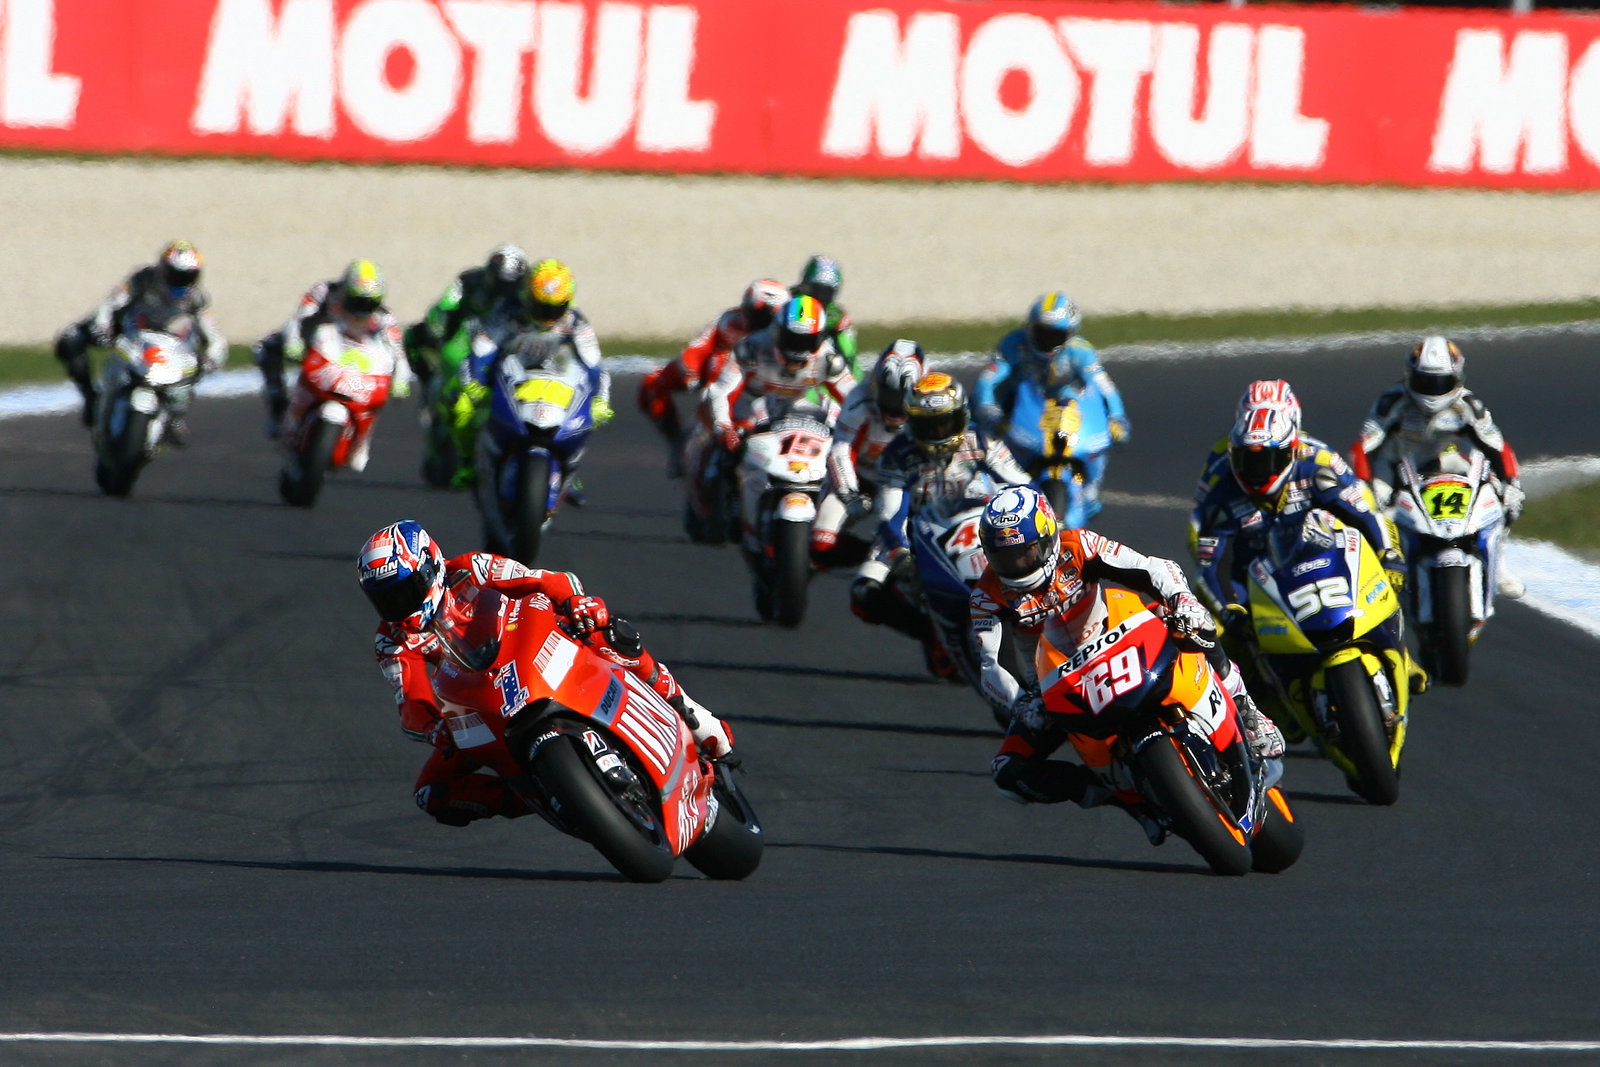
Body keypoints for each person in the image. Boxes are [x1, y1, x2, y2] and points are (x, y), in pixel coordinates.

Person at [356, 519, 733, 827]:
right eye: (385, 598)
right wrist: (434, 727)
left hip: (536, 653)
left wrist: (575, 603)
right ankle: (546, 797)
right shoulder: (391, 641)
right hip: (480, 711)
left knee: (609, 632)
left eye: (405, 588)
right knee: (432, 794)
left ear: (430, 565)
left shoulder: (472, 569)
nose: (397, 604)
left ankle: (684, 706)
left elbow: (544, 580)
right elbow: (410, 699)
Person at [973, 485, 1285, 844]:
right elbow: (991, 664)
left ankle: (1247, 710)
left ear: (1047, 539)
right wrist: (1021, 702)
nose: (1015, 566)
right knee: (1008, 772)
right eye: (1003, 557)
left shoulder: (1080, 545)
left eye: (1024, 554)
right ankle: (1123, 801)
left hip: (1120, 635)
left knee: (1196, 623)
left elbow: (1150, 567)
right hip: (1056, 686)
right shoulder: (986, 595)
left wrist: (1180, 598)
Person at [1187, 378, 1423, 687]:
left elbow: (1361, 508)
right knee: (1217, 632)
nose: (1257, 469)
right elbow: (1204, 539)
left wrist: (1387, 555)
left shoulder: (1318, 459)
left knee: (1378, 565)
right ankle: (1253, 703)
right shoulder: (1222, 468)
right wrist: (1228, 608)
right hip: (1252, 555)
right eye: (1249, 460)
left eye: (1268, 459)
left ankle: (1401, 656)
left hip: (1314, 540)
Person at [853, 371, 1031, 674]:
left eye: (944, 422)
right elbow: (890, 511)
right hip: (915, 531)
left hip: (980, 524)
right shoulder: (897, 454)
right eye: (927, 424)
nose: (937, 431)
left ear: (960, 416)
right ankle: (932, 634)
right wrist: (898, 551)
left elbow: (1024, 485)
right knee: (864, 592)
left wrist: (1044, 520)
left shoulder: (983, 441)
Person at [1350, 336, 1525, 597]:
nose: (1432, 391)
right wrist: (1365, 486)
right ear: (1410, 376)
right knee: (1372, 512)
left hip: (1449, 461)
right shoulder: (1391, 402)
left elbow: (1498, 447)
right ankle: (1380, 573)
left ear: (1457, 378)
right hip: (1397, 465)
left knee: (1501, 499)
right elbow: (1363, 448)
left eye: (1441, 382)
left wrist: (1512, 484)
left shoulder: (1469, 405)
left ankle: (1498, 566)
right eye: (1425, 382)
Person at [446, 258, 613, 489]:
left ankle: (568, 470)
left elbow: (595, 366)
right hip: (508, 381)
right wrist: (474, 384)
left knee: (583, 418)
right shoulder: (507, 314)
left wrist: (601, 400)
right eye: (541, 306)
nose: (547, 314)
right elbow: (479, 352)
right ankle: (467, 465)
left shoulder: (576, 323)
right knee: (461, 406)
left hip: (555, 382)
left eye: (555, 308)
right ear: (528, 296)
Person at [54, 239, 227, 433]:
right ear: (162, 268)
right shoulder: (142, 279)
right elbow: (112, 302)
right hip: (132, 332)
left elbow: (214, 334)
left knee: (194, 370)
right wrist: (101, 325)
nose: (180, 281)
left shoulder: (198, 298)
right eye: (175, 274)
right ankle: (90, 397)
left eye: (187, 276)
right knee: (70, 339)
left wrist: (213, 357)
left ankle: (175, 413)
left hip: (173, 345)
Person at [636, 277, 788, 477]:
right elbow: (699, 346)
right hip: (724, 383)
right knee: (654, 383)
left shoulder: (788, 336)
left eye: (765, 316)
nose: (755, 321)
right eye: (753, 312)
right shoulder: (730, 320)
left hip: (769, 389)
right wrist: (689, 368)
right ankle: (680, 439)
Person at [255, 259, 405, 438]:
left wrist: (400, 381)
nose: (362, 308)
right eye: (357, 300)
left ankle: (360, 436)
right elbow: (297, 319)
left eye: (369, 303)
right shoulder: (323, 292)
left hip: (356, 359)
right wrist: (293, 342)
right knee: (266, 348)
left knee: (379, 389)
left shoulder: (384, 317)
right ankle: (278, 408)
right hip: (317, 345)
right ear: (346, 289)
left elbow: (398, 352)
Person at [810, 338, 926, 569]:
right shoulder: (858, 398)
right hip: (857, 478)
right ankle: (865, 554)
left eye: (901, 398)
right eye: (888, 395)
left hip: (901, 484)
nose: (893, 405)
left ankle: (887, 559)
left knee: (901, 543)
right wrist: (848, 492)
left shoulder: (928, 407)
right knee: (820, 544)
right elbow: (841, 447)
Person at [973, 290, 1130, 449]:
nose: (1046, 341)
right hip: (1017, 406)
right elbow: (986, 381)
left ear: (1070, 335)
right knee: (978, 432)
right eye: (1041, 333)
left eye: (1055, 336)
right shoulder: (1013, 343)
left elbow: (1106, 388)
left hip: (1063, 408)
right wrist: (989, 410)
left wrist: (1117, 418)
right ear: (1030, 328)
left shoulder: (1081, 351)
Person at [402, 244, 530, 393]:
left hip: (506, 335)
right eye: (499, 282)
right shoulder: (470, 280)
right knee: (417, 338)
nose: (503, 289)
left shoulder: (526, 294)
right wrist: (438, 325)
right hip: (470, 328)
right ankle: (430, 385)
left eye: (509, 284)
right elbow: (445, 304)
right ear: (489, 272)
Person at [793, 254, 859, 374]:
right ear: (805, 283)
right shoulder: (788, 301)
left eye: (827, 291)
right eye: (816, 289)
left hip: (815, 368)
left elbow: (849, 354)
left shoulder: (836, 315)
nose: (821, 296)